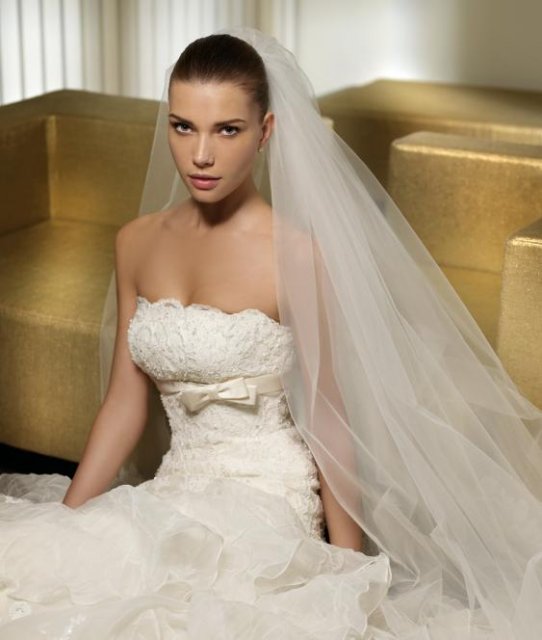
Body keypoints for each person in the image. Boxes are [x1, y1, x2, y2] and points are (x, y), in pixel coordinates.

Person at [1, 25, 542, 640]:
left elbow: (328, 416)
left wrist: (349, 569)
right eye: (183, 126)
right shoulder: (136, 242)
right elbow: (125, 404)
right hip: (178, 484)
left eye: (227, 130)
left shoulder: (297, 254)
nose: (201, 155)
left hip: (268, 494)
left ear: (266, 132)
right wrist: (69, 519)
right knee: (58, 584)